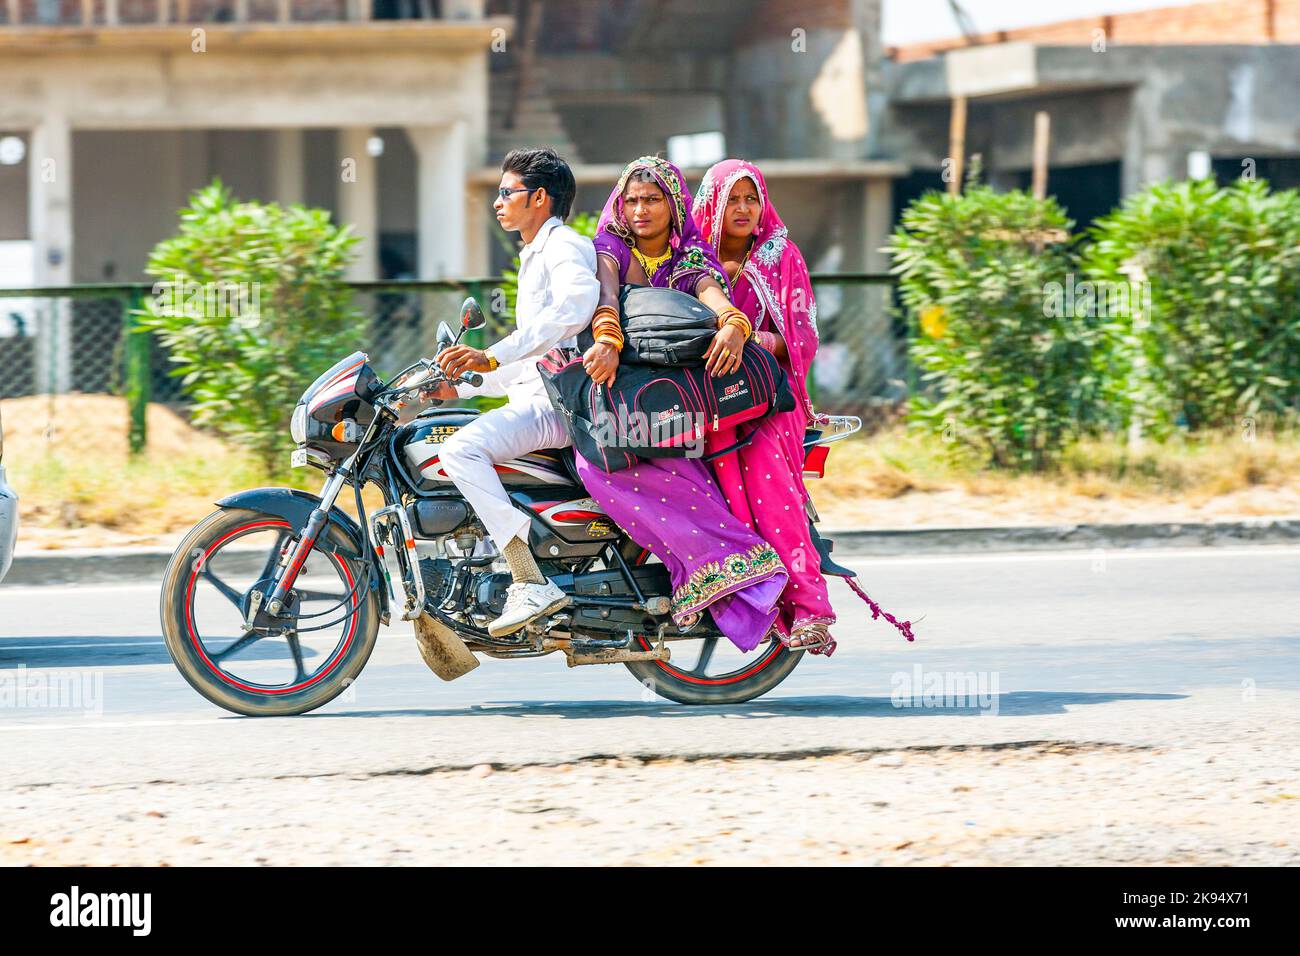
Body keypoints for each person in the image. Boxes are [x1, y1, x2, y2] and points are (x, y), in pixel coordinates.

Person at [573, 155, 789, 653]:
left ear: (673, 206)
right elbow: (606, 294)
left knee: (629, 470)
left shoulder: (689, 257)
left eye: (652, 200)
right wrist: (606, 338)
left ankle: (735, 569)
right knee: (594, 464)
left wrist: (734, 327)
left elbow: (714, 296)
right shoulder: (610, 248)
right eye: (632, 200)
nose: (641, 210)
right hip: (616, 381)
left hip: (670, 399)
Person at [433, 147, 600, 638]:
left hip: (560, 405)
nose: (498, 202)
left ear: (541, 198)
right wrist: (464, 383)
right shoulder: (534, 255)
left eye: (507, 193)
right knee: (452, 432)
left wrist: (493, 356)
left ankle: (527, 578)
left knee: (460, 450)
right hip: (541, 394)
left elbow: (575, 306)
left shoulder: (562, 245)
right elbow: (533, 360)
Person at [691, 159, 838, 654]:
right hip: (709, 401)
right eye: (732, 198)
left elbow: (804, 338)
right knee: (722, 501)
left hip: (769, 400)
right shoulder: (693, 260)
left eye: (751, 198)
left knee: (772, 496)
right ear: (713, 203)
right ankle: (753, 602)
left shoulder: (782, 255)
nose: (743, 208)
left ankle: (811, 609)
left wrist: (749, 338)